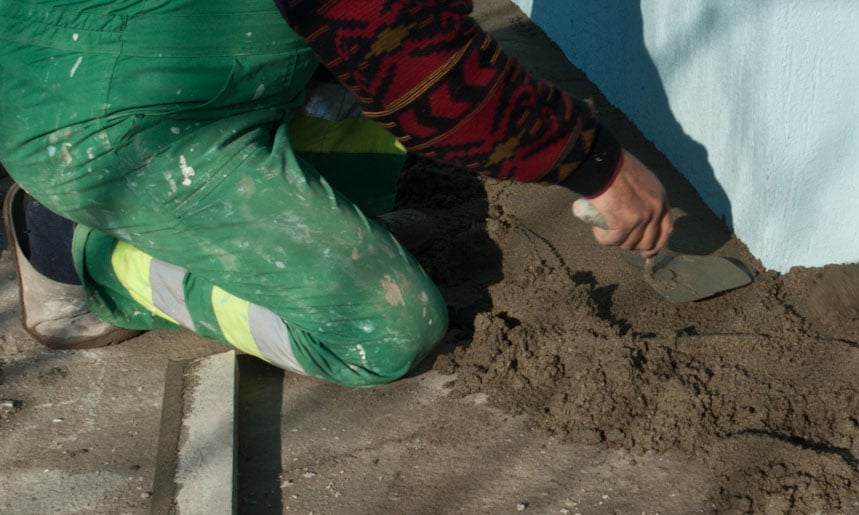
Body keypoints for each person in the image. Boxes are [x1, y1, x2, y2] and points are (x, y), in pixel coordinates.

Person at [0, 0, 672, 387]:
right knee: (386, 333)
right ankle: (75, 245)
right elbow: (430, 76)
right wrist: (591, 161)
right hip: (112, 134)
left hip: (164, 68)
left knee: (362, 88)